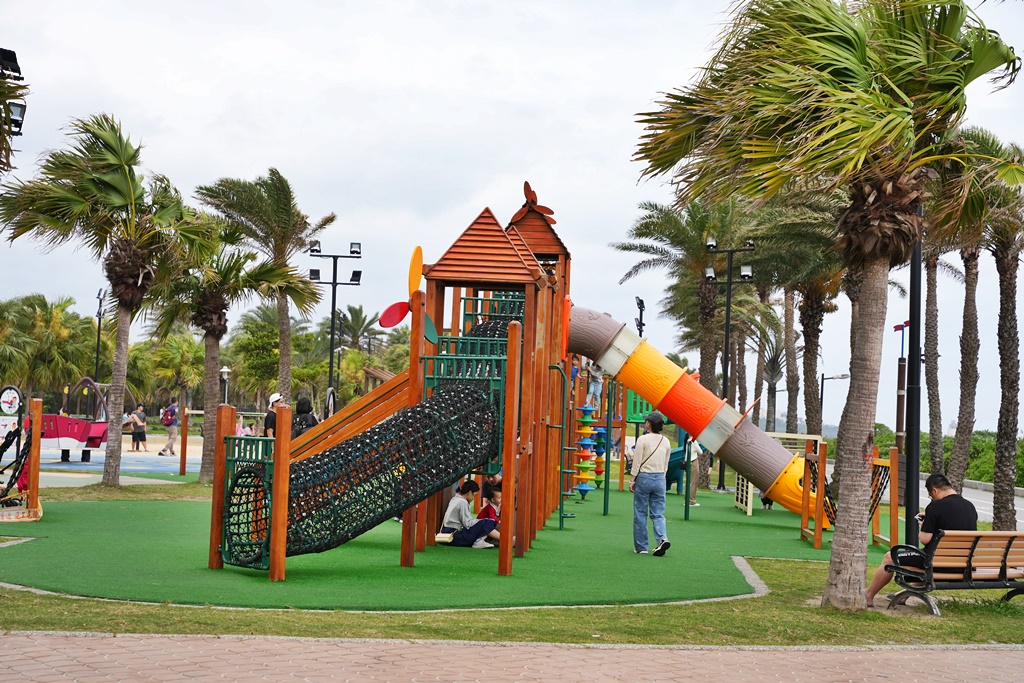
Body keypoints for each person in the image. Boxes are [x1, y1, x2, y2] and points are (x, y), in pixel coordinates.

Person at [865, 473, 978, 607]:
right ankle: (902, 596)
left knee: (890, 557)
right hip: (963, 565)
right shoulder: (970, 506)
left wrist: (925, 525)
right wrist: (931, 520)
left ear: (935, 490)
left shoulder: (935, 507)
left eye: (931, 495)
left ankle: (868, 596)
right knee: (926, 561)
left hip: (937, 563)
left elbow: (925, 539)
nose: (932, 499)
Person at [630, 411, 673, 556]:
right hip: (660, 477)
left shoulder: (643, 440)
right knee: (658, 513)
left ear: (649, 424)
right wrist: (662, 476)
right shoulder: (666, 441)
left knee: (640, 512)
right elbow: (666, 463)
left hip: (644, 477)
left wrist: (632, 479)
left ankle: (641, 547)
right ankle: (662, 538)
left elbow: (637, 461)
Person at [440, 480, 500, 548]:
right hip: (456, 535)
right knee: (489, 522)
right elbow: (467, 523)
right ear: (469, 493)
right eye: (474, 495)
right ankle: (481, 540)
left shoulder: (454, 499)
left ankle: (481, 540)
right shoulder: (462, 502)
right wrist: (482, 521)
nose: (474, 498)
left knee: (486, 522)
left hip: (448, 534)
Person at [685, 436, 701, 507]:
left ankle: (687, 499)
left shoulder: (687, 441)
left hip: (688, 462)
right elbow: (700, 451)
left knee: (689, 482)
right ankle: (691, 500)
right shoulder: (693, 441)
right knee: (693, 482)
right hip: (693, 461)